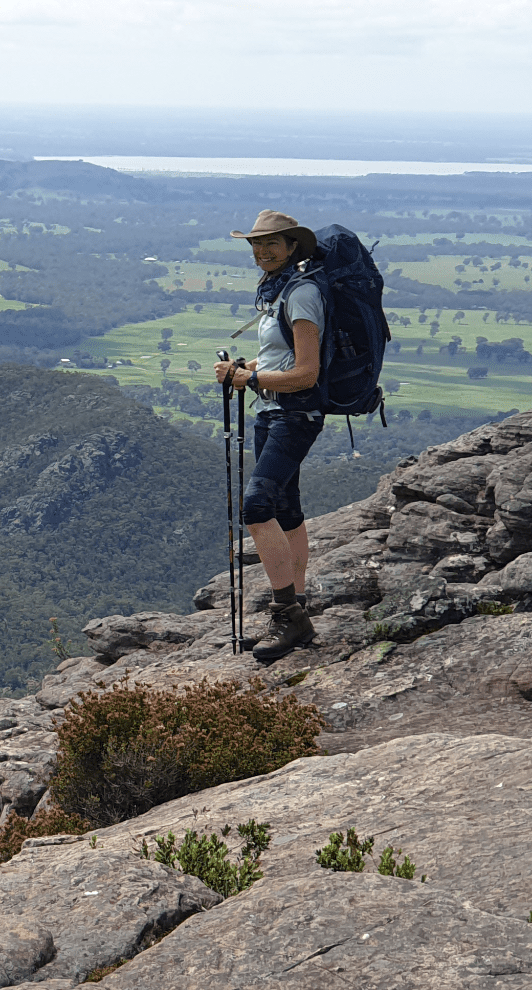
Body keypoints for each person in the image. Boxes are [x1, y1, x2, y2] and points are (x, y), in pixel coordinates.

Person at [215, 210, 324, 659]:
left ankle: (289, 619)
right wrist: (249, 368)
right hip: (276, 412)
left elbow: (306, 373)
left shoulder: (302, 295)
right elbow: (282, 360)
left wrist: (250, 382)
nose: (262, 251)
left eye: (272, 244)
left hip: (294, 414)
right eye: (256, 245)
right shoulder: (280, 289)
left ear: (292, 246)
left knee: (258, 507)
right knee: (286, 510)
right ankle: (296, 604)